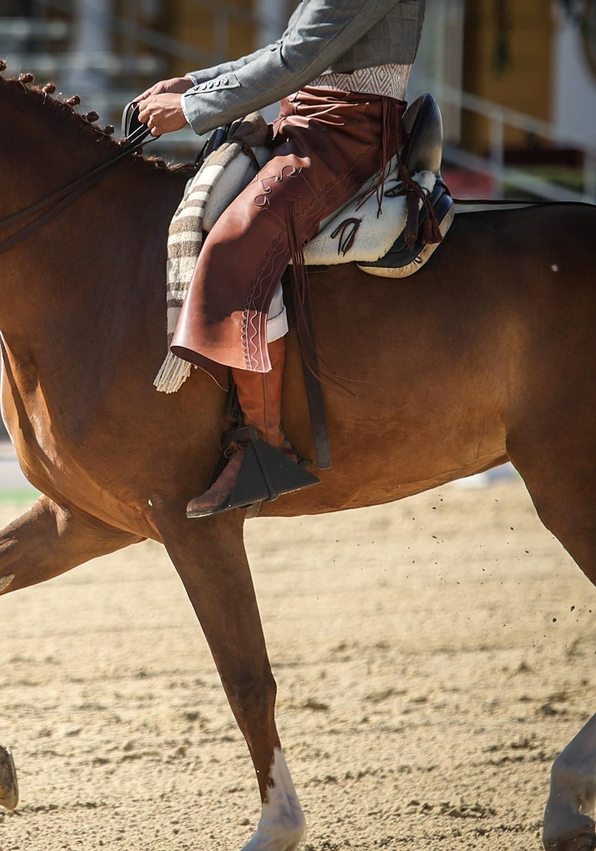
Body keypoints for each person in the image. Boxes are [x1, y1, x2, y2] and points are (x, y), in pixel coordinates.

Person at [134, 0, 427, 518]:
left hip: (347, 133)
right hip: (304, 120)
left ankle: (266, 447)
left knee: (236, 245)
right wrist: (192, 84)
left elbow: (296, 59)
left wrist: (194, 108)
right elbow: (283, 50)